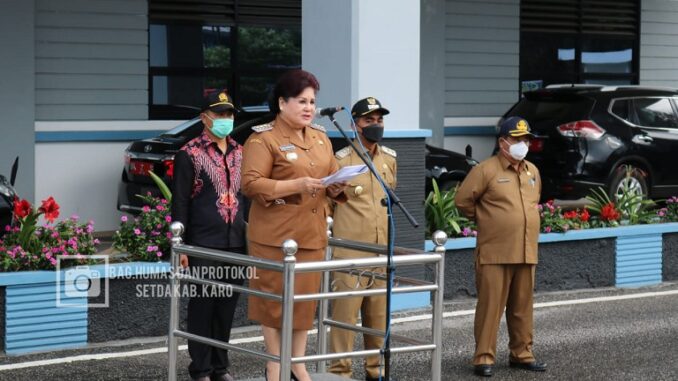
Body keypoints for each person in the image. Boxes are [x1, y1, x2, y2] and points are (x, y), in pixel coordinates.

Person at [240, 69, 348, 381]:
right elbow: (251, 184)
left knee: (303, 303)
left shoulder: (320, 138)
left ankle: (297, 363)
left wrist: (338, 185)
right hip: (274, 236)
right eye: (301, 101)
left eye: (312, 102)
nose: (309, 108)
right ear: (282, 102)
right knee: (273, 303)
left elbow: (330, 174)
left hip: (311, 233)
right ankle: (275, 362)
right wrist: (296, 184)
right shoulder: (263, 139)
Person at [454, 116, 547, 377]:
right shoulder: (486, 170)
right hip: (495, 251)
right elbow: (463, 201)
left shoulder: (532, 171)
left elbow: (533, 202)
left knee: (522, 308)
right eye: (517, 139)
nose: (523, 144)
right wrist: (486, 219)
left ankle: (522, 354)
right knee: (490, 308)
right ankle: (483, 358)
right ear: (503, 142)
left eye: (526, 139)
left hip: (526, 250)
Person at [171, 89, 247, 381]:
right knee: (203, 307)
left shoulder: (241, 152)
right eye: (220, 114)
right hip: (203, 243)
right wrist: (183, 247)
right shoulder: (189, 153)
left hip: (236, 242)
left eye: (229, 114)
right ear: (205, 117)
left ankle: (220, 366)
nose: (226, 119)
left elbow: (246, 198)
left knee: (227, 307)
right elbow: (179, 202)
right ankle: (200, 368)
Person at [327, 97, 396, 381]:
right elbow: (329, 205)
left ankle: (374, 371)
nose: (376, 125)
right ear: (356, 125)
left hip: (381, 251)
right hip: (351, 254)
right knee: (345, 318)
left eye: (379, 120)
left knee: (377, 318)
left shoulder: (389, 159)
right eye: (369, 121)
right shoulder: (340, 161)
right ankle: (339, 373)